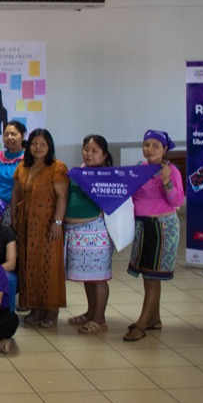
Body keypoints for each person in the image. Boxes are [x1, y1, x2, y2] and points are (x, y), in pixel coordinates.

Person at [125, 130, 184, 342]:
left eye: (155, 146)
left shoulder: (171, 171)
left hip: (162, 227)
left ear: (165, 149)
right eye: (146, 145)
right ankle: (154, 319)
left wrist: (167, 181)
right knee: (148, 275)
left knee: (152, 278)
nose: (150, 150)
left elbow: (176, 201)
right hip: (142, 226)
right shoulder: (140, 170)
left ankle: (141, 324)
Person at [12, 128, 69, 328]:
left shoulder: (57, 167)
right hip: (25, 222)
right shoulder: (22, 166)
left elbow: (62, 197)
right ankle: (35, 307)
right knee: (29, 263)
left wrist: (58, 222)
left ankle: (51, 310)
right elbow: (16, 194)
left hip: (48, 223)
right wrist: (14, 218)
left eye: (43, 144)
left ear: (49, 147)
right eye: (35, 144)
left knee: (48, 265)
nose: (38, 148)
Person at [66, 134, 116, 334]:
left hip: (96, 231)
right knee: (87, 276)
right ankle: (90, 312)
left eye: (95, 151)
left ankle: (99, 319)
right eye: (86, 149)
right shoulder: (79, 171)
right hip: (76, 233)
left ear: (104, 155)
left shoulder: (108, 176)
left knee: (98, 277)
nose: (89, 154)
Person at [0, 121, 26, 228]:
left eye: (13, 134)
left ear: (23, 135)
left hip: (15, 210)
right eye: (6, 134)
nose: (9, 137)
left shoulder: (28, 158)